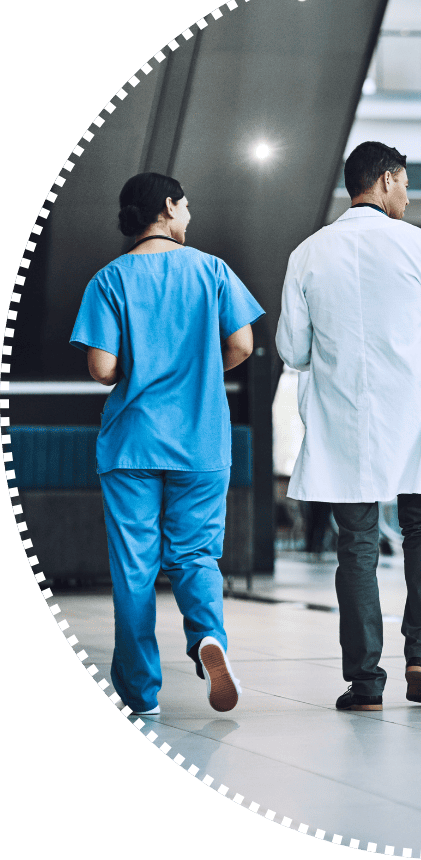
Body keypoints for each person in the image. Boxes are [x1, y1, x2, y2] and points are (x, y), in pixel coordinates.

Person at [276, 141, 421, 710]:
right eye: (407, 184)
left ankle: (365, 683)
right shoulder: (417, 245)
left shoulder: (308, 254)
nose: (408, 196)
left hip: (348, 425)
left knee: (357, 548)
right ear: (387, 180)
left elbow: (292, 349)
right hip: (415, 421)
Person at [70, 172, 265, 716]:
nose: (189, 216)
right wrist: (200, 368)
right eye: (185, 206)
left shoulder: (109, 279)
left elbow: (102, 367)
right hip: (201, 439)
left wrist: (139, 371)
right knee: (196, 554)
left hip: (131, 443)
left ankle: (141, 694)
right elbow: (243, 344)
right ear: (168, 206)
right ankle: (208, 639)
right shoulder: (213, 271)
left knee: (134, 567)